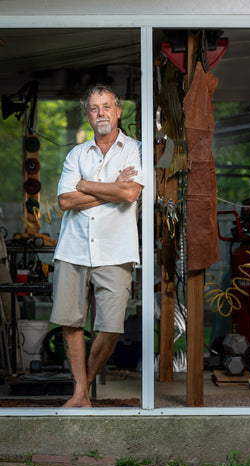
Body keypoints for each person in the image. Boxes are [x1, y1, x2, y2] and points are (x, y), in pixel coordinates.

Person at [50, 84, 144, 407]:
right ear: (87, 116)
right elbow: (65, 200)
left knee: (111, 327)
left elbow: (129, 194)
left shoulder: (135, 150)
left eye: (106, 107)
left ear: (118, 111)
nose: (101, 113)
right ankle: (81, 393)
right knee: (70, 322)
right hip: (73, 248)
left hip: (116, 250)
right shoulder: (76, 154)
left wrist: (87, 186)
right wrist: (111, 188)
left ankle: (83, 387)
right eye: (94, 108)